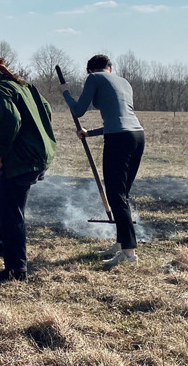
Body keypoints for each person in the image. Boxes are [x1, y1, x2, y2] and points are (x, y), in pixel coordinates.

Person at [0, 57, 56, 282]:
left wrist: (0, 151)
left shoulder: (0, 91)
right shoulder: (21, 85)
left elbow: (11, 119)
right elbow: (46, 108)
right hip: (36, 154)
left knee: (11, 210)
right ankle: (1, 240)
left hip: (24, 158)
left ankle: (16, 270)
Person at [61, 54, 145, 267]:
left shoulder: (94, 78)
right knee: (122, 194)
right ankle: (121, 244)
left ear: (90, 70)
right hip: (137, 136)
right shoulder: (124, 82)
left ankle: (129, 254)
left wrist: (66, 94)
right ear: (111, 67)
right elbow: (119, 119)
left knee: (116, 196)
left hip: (118, 140)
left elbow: (78, 109)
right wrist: (90, 133)